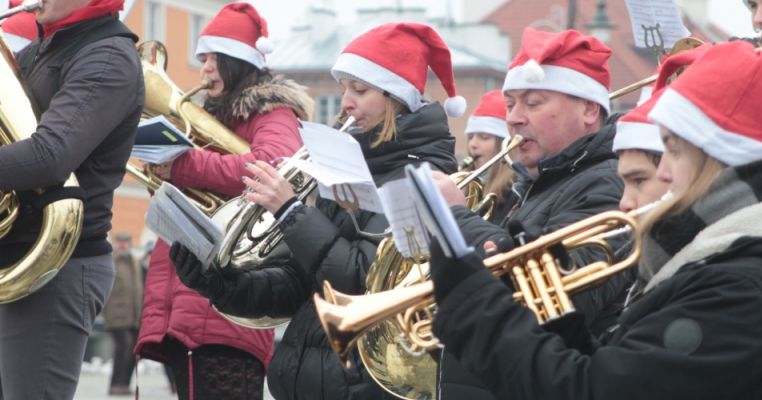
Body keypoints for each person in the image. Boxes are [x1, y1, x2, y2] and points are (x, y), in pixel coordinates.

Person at [429, 40, 762, 400]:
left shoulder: (741, 289)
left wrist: (475, 308)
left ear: (717, 156)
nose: (664, 173)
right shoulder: (735, 267)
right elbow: (618, 372)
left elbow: (595, 391)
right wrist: (558, 320)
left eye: (672, 150)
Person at [169, 22, 461, 400]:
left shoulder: (425, 177)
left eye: (360, 90)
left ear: (396, 98)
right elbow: (299, 286)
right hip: (305, 382)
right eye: (343, 90)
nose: (345, 104)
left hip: (366, 385)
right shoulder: (345, 164)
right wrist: (218, 283)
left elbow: (365, 281)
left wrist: (291, 212)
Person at [431, 28, 626, 399]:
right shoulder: (539, 181)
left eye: (533, 103)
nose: (514, 119)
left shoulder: (609, 184)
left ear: (589, 109)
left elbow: (563, 298)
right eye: (509, 105)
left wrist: (456, 218)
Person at [133, 3, 311, 400]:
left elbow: (273, 167)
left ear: (239, 61)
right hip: (187, 299)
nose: (205, 69)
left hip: (225, 306)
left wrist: (182, 164)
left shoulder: (274, 113)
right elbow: (194, 190)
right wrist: (161, 174)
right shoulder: (212, 116)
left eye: (215, 58)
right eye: (203, 58)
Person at [0, 0, 144, 398]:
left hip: (56, 268)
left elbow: (50, 156)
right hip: (17, 255)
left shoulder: (106, 58)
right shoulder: (41, 51)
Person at [462, 89, 517, 225]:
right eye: (470, 137)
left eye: (484, 137)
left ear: (504, 144)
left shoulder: (514, 190)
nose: (473, 144)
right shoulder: (467, 182)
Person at [103, 232, 143, 396]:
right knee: (124, 346)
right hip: (116, 314)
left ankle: (124, 384)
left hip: (134, 316)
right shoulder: (112, 261)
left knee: (134, 350)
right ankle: (115, 384)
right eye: (120, 242)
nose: (123, 245)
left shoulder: (134, 261)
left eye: (126, 242)